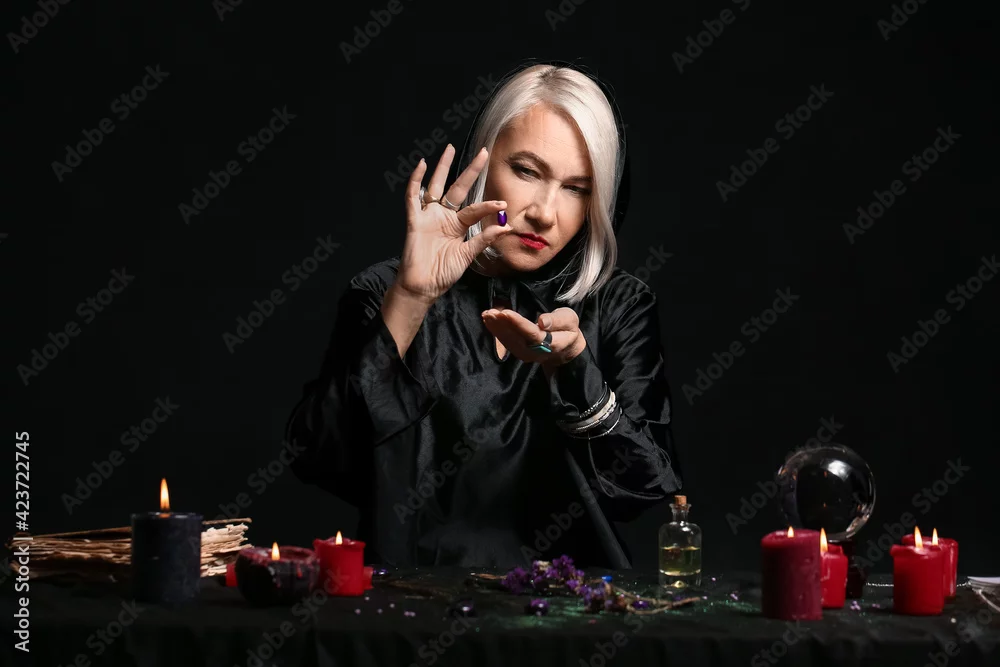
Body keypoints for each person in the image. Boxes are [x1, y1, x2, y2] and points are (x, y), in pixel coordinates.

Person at [285, 62, 682, 569]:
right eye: (527, 171)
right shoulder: (383, 290)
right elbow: (318, 458)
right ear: (485, 160)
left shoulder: (619, 305)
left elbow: (644, 491)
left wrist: (575, 368)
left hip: (570, 607)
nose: (544, 212)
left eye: (576, 188)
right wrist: (412, 298)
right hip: (412, 603)